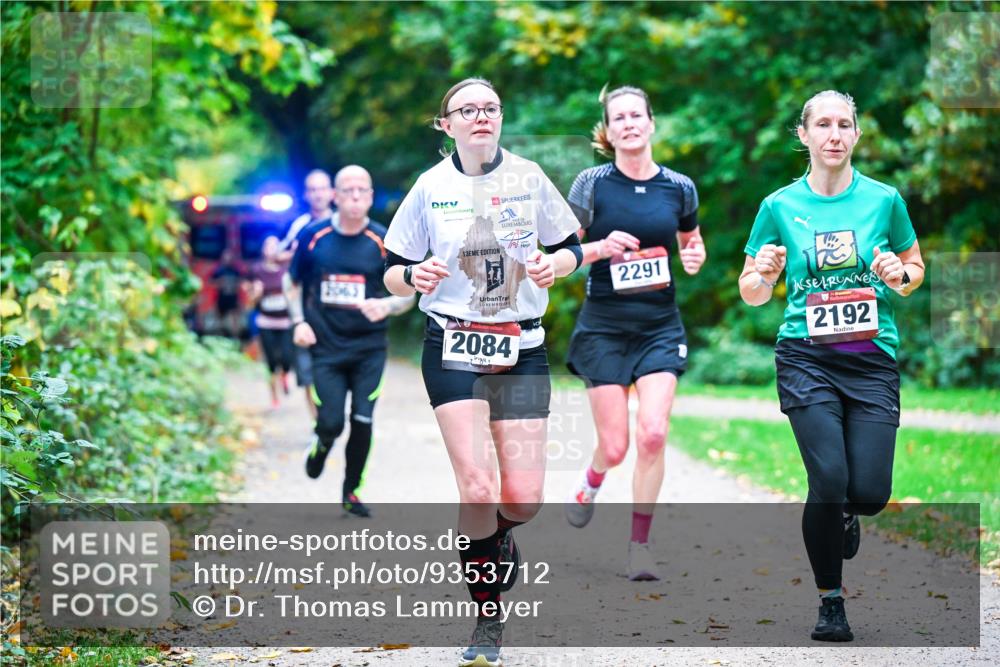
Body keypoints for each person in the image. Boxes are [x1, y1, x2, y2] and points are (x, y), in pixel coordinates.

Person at [383, 78, 583, 667]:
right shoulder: (430, 187)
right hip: (452, 344)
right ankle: (487, 618)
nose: (480, 117)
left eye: (490, 108)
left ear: (500, 117)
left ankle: (500, 530)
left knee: (521, 499)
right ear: (446, 125)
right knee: (476, 486)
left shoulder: (527, 176)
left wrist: (555, 266)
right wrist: (412, 277)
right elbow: (393, 267)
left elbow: (570, 244)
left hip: (521, 345)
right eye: (466, 110)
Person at [738, 90, 925, 642]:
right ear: (804, 135)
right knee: (830, 478)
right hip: (806, 356)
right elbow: (750, 291)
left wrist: (899, 274)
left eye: (845, 124)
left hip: (870, 359)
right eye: (823, 124)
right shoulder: (777, 206)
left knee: (867, 492)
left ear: (857, 135)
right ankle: (831, 601)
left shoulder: (884, 200)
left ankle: (846, 513)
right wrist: (765, 275)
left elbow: (914, 271)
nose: (834, 134)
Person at [562, 85, 706, 581]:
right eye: (618, 117)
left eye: (635, 115)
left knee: (653, 433)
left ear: (650, 123)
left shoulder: (680, 187)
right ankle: (592, 479)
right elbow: (559, 255)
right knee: (618, 445)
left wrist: (693, 256)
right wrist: (601, 247)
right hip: (603, 327)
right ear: (609, 129)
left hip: (659, 328)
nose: (628, 123)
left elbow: (691, 242)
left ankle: (639, 546)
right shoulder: (592, 184)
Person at [285, 165, 414, 518]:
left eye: (362, 190)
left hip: (368, 349)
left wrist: (386, 304)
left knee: (362, 418)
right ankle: (321, 444)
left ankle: (351, 490)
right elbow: (291, 282)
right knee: (331, 422)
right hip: (325, 347)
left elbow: (408, 293)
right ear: (335, 196)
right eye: (348, 191)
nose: (355, 197)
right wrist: (298, 321)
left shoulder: (384, 241)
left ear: (371, 197)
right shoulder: (314, 236)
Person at [281, 169, 336, 420]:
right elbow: (275, 256)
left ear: (332, 193)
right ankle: (319, 424)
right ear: (306, 194)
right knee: (308, 373)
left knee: (334, 369)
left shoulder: (342, 222)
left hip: (337, 311)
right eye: (312, 190)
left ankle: (331, 417)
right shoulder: (299, 226)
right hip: (306, 309)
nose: (318, 194)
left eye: (322, 189)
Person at [248, 235, 294, 408]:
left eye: (276, 245)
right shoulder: (257, 270)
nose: (272, 249)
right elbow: (250, 302)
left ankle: (285, 376)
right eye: (268, 246)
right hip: (265, 321)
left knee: (287, 358)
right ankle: (274, 397)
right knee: (271, 362)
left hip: (285, 322)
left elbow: (295, 292)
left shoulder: (287, 270)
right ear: (263, 250)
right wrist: (256, 293)